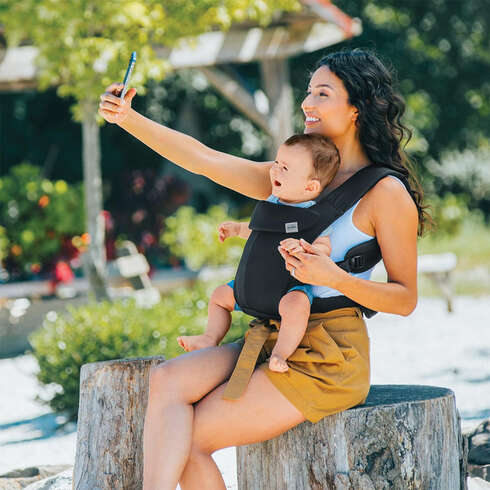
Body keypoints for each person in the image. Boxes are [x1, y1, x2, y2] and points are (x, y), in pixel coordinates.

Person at [98, 48, 428, 490]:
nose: (307, 103)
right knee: (167, 379)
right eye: (308, 92)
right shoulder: (292, 173)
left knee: (192, 440)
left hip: (328, 357)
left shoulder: (385, 193)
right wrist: (128, 119)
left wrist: (333, 278)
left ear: (357, 109)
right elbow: (206, 159)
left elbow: (405, 299)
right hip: (269, 334)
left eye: (323, 93)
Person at [176, 133, 340, 374]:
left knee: (298, 307)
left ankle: (280, 353)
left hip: (286, 289)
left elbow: (324, 246)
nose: (275, 170)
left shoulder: (316, 216)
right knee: (219, 296)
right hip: (251, 286)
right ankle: (209, 337)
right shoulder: (270, 203)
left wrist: (307, 249)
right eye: (276, 163)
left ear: (310, 186)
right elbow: (257, 231)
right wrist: (236, 229)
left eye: (285, 168)